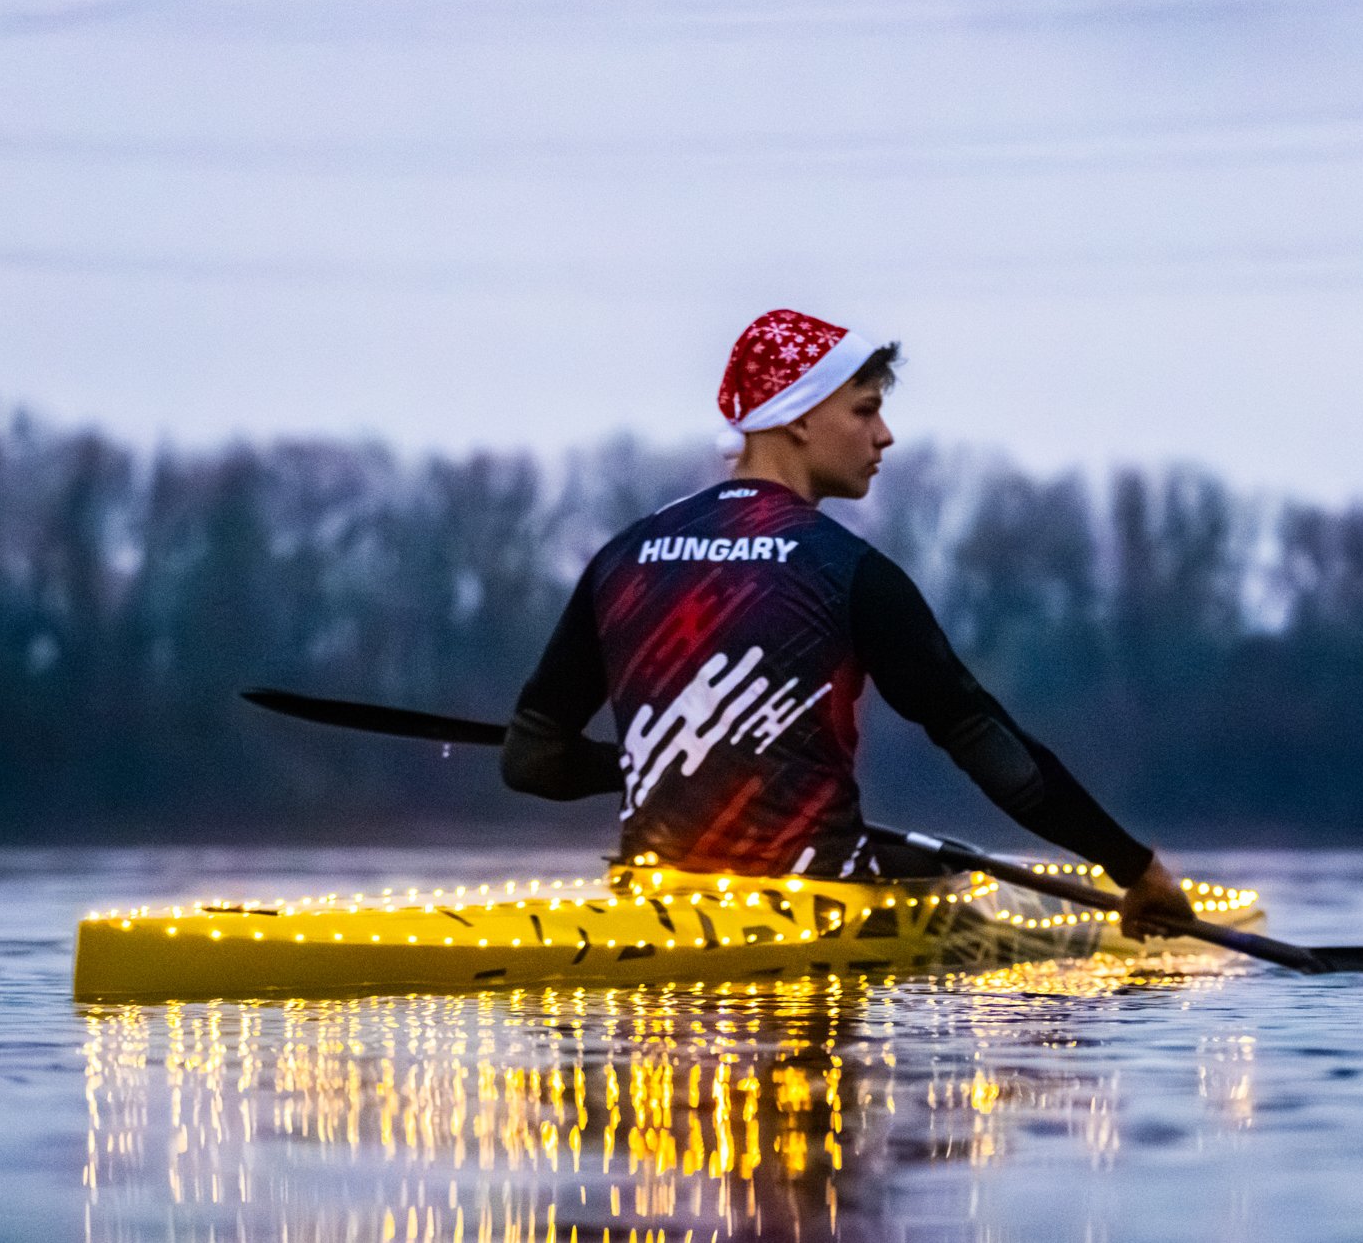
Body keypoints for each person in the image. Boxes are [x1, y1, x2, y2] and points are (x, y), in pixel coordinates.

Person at [502, 309, 1195, 938]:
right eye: (865, 410)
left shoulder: (624, 554)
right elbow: (1001, 759)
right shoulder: (849, 570)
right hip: (819, 904)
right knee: (950, 873)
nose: (884, 435)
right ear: (799, 418)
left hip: (650, 904)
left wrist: (668, 762)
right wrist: (1135, 869)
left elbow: (531, 760)